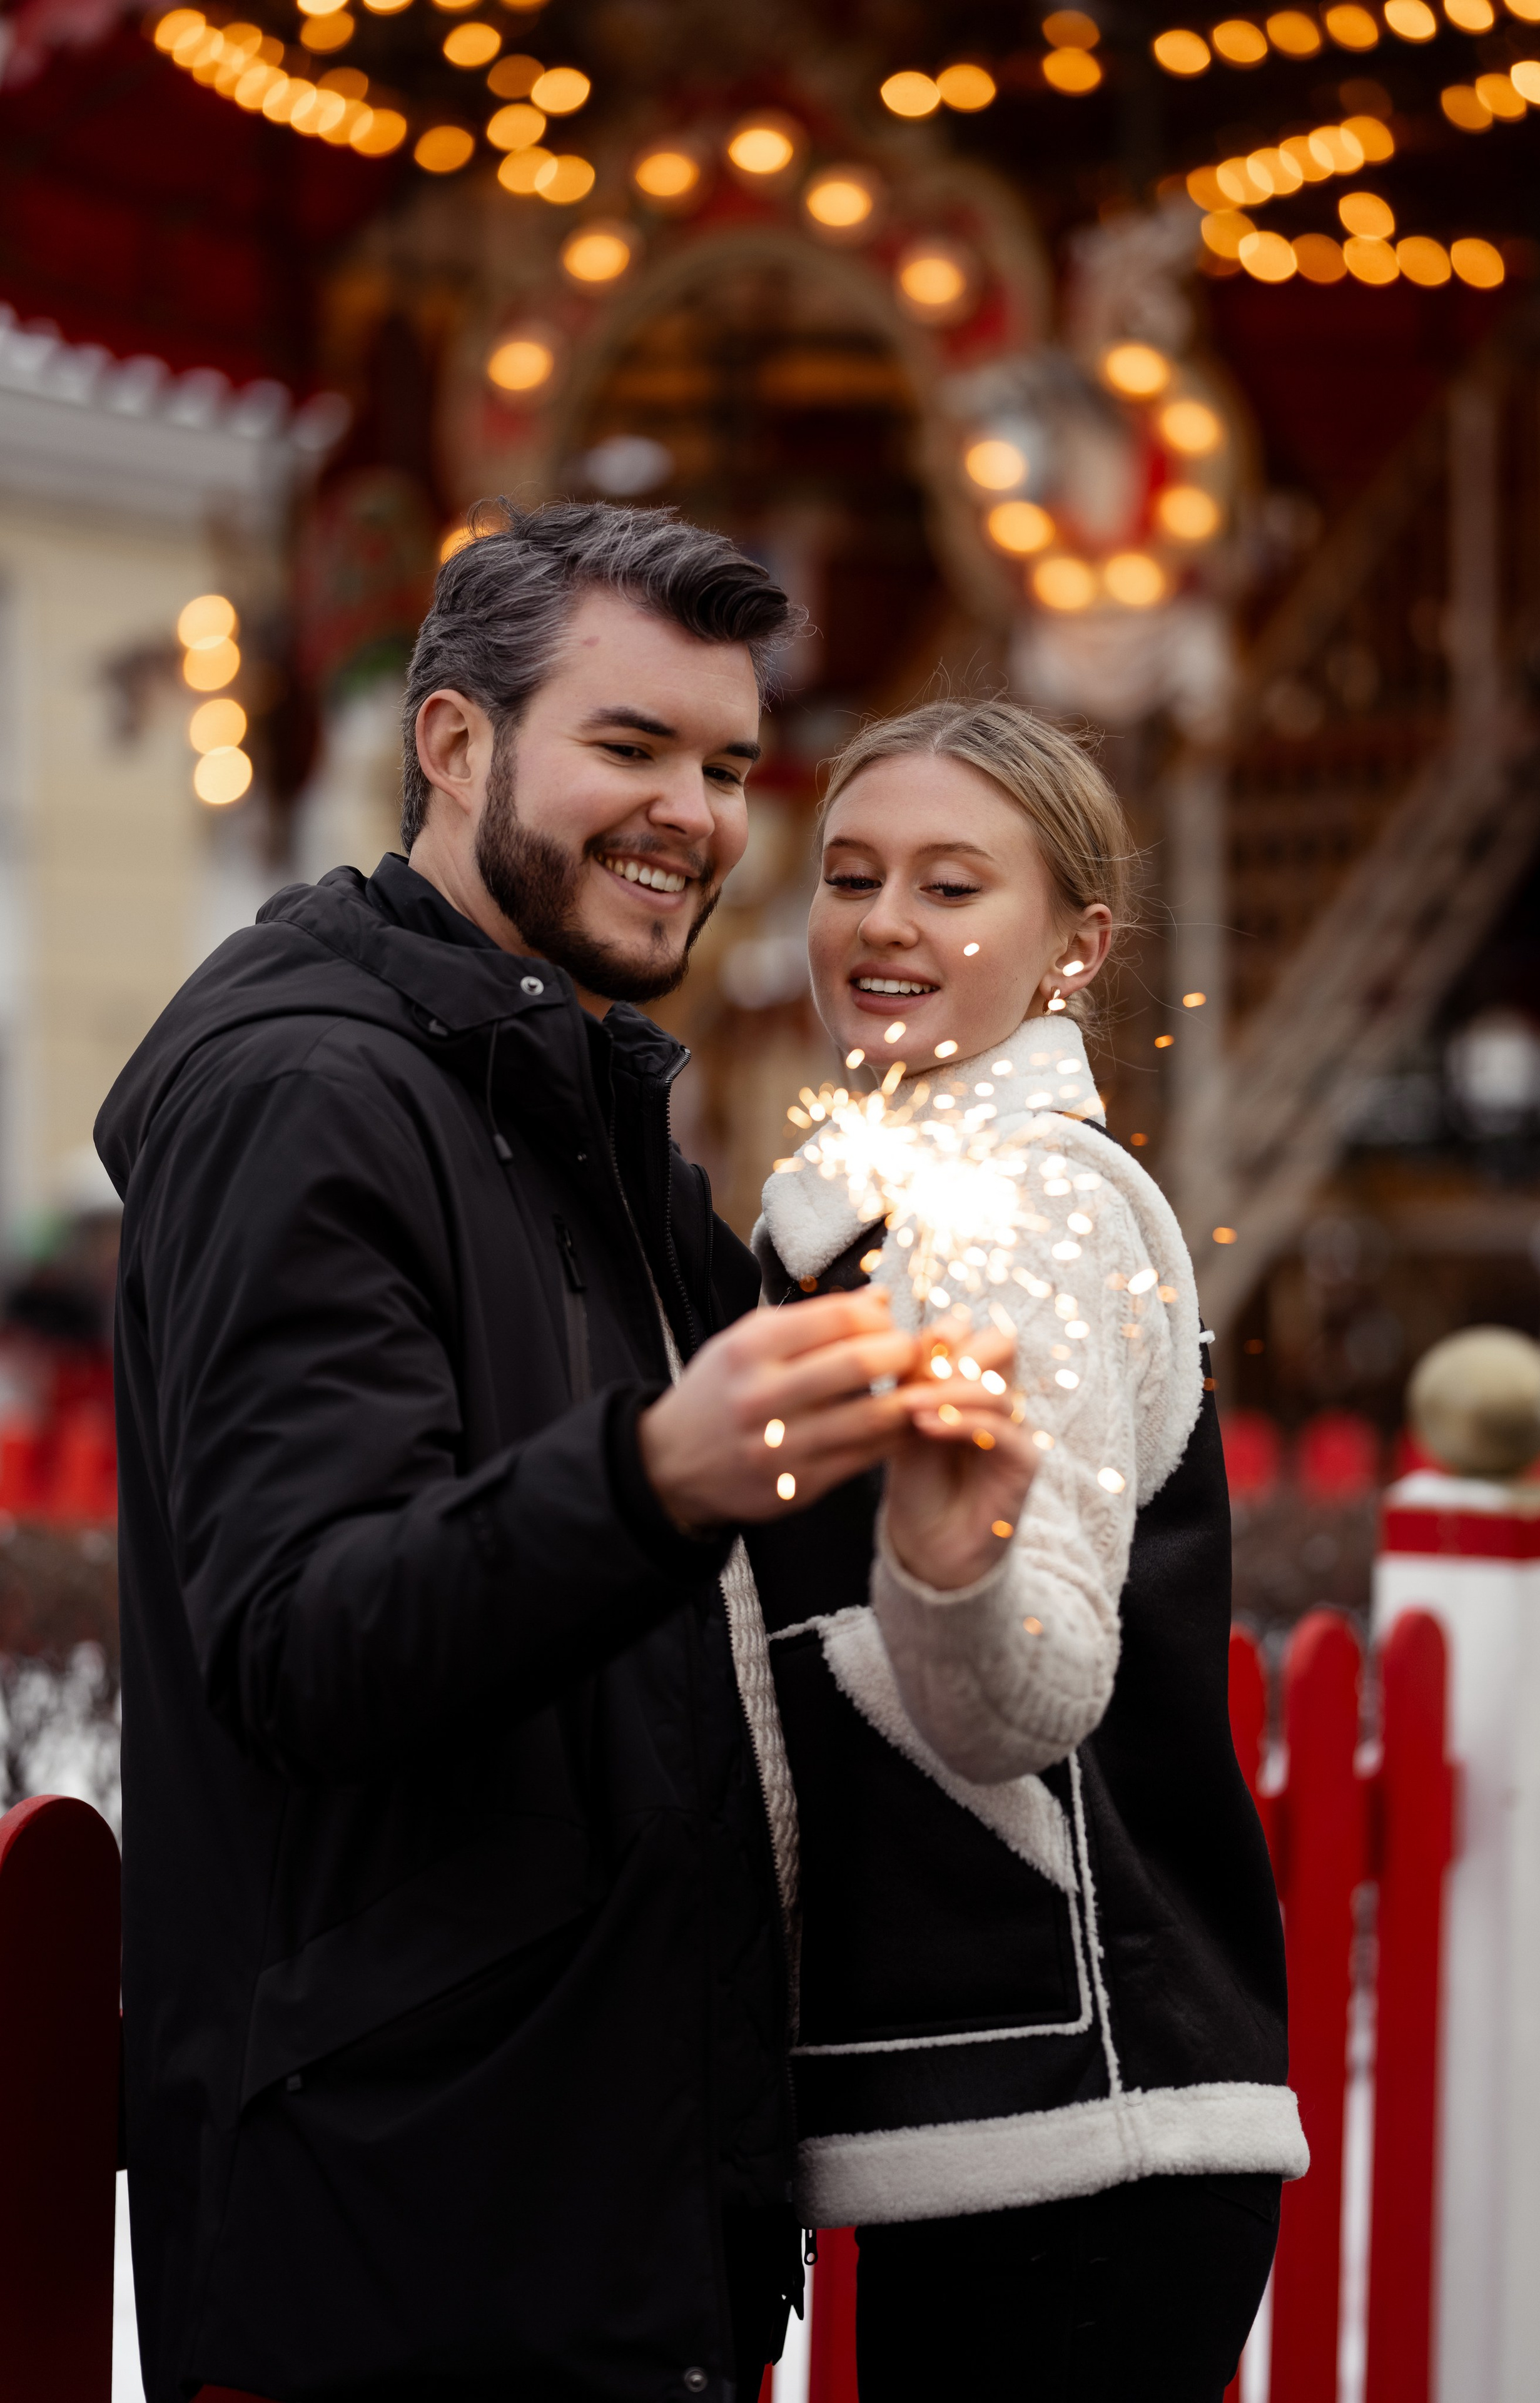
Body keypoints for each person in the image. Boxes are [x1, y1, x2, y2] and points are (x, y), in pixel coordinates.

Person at [95, 505, 1021, 2403]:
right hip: (402, 2253)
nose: (692, 809)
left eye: (727, 763)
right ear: (455, 745)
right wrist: (658, 1472)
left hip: (595, 2213)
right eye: (630, 746)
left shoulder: (573, 1101)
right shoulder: (311, 1098)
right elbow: (304, 1633)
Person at [746, 699, 1308, 2403]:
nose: (885, 922)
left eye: (949, 882)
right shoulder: (871, 1209)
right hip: (1003, 2100)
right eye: (851, 875)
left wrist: (949, 1565)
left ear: (1078, 943)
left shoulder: (1031, 1209)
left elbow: (1037, 1683)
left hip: (1082, 2119)